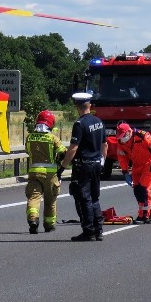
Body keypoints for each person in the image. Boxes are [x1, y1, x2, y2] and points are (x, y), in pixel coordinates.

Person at [58, 92, 107, 242]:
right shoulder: (99, 121)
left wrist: (62, 168)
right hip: (97, 164)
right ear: (89, 105)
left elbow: (73, 148)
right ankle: (99, 230)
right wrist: (103, 161)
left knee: (84, 198)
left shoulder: (80, 124)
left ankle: (88, 231)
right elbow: (105, 144)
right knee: (95, 198)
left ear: (77, 107)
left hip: (84, 166)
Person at [114, 122, 151, 224]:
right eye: (120, 137)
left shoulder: (143, 136)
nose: (122, 139)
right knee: (137, 190)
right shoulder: (121, 142)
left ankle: (146, 216)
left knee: (144, 189)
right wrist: (125, 171)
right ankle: (144, 213)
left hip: (150, 162)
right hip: (137, 165)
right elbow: (122, 158)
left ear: (129, 132)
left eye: (123, 136)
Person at [24, 110, 66, 234]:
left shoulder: (29, 137)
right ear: (50, 124)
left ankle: (33, 220)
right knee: (50, 200)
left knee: (33, 197)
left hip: (34, 173)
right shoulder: (53, 138)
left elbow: (27, 151)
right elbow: (62, 153)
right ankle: (49, 224)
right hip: (50, 175)